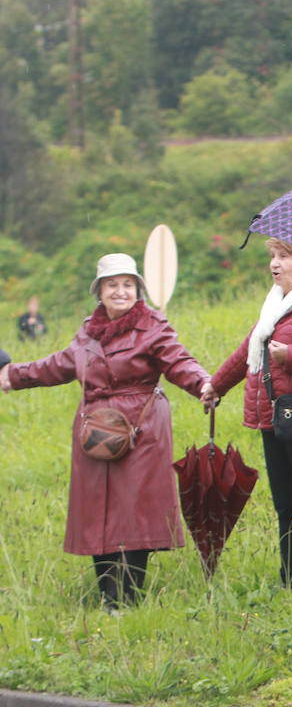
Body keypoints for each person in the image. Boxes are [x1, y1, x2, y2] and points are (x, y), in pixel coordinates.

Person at [0, 253, 213, 609]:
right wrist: (12, 375)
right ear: (99, 291)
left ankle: (127, 600)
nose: (120, 291)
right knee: (96, 510)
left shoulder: (153, 326)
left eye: (127, 284)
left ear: (138, 290)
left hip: (141, 430)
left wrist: (203, 384)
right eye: (112, 284)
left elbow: (180, 361)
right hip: (95, 431)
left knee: (135, 511)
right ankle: (106, 597)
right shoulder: (88, 331)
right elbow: (59, 365)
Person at [206, 238, 292, 593]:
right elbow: (248, 350)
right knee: (286, 504)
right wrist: (216, 386)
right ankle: (290, 583)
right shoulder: (275, 303)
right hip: (274, 416)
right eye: (272, 256)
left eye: (283, 256)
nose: (275, 264)